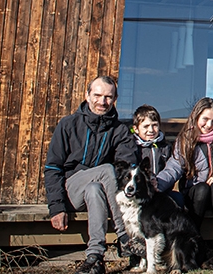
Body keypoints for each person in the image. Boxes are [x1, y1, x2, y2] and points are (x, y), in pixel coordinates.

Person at [44, 76, 143, 274]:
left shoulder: (119, 131)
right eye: (97, 95)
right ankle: (124, 236)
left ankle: (95, 257)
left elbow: (126, 167)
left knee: (94, 188)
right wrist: (56, 207)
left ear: (115, 99)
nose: (102, 101)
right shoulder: (68, 125)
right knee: (106, 169)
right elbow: (53, 168)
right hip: (71, 190)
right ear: (87, 95)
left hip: (100, 194)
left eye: (108, 97)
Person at [155, 97, 213, 261]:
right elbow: (173, 168)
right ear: (196, 116)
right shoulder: (185, 141)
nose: (209, 124)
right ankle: (193, 237)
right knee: (203, 188)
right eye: (205, 119)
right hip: (196, 195)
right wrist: (157, 184)